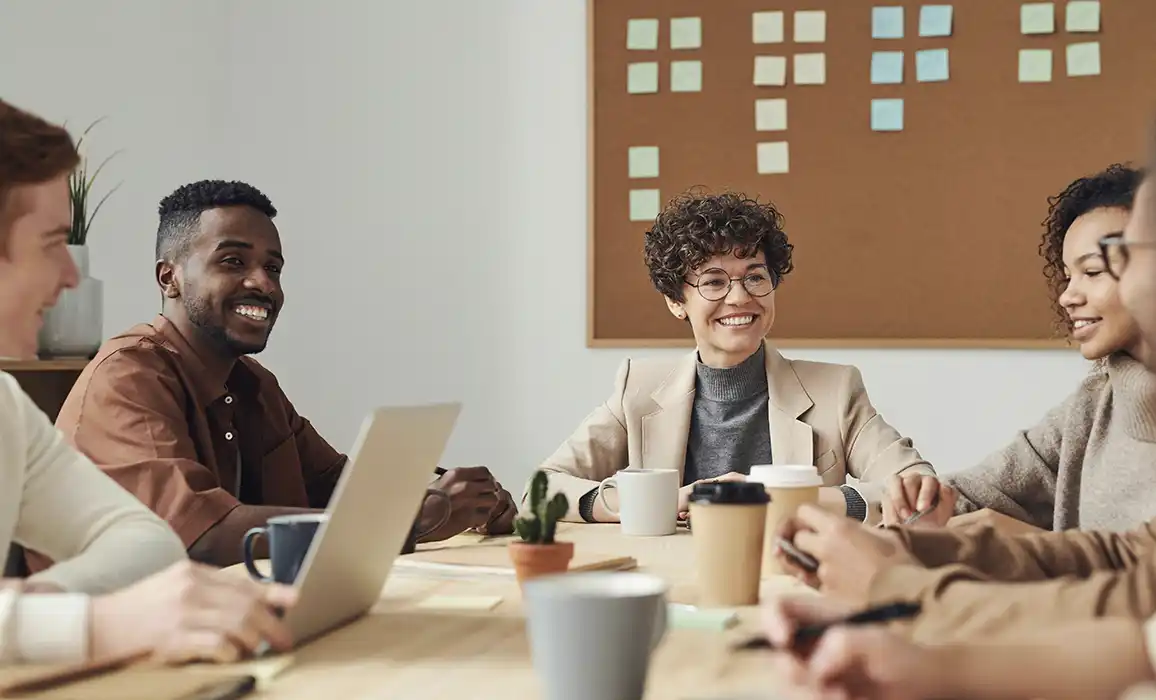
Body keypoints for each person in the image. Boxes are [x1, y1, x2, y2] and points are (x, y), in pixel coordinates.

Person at [765, 134, 1156, 700]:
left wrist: (893, 586)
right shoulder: (1101, 397)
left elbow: (1131, 606)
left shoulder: (836, 382)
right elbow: (1124, 557)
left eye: (1110, 264)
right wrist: (911, 551)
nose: (1069, 296)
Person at [35, 179, 516, 570]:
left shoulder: (253, 383)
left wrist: (455, 495)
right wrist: (409, 518)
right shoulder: (128, 376)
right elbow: (203, 534)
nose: (263, 283)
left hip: (230, 621)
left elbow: (336, 483)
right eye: (233, 261)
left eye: (273, 267)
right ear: (169, 278)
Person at [0, 98, 294, 664]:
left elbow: (150, 545)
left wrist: (30, 613)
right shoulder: (128, 372)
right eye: (50, 244)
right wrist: (93, 625)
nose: (70, 275)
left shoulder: (8, 410)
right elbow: (191, 538)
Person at [533, 191, 934, 525]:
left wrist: (786, 500)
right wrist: (658, 502)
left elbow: (917, 486)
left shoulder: (835, 390)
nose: (740, 297)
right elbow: (542, 488)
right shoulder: (636, 388)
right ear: (676, 302)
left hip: (790, 579)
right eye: (713, 282)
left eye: (755, 277)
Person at [886, 164, 1156, 535]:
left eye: (1092, 272)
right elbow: (976, 493)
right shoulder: (1096, 401)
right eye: (1066, 275)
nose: (1067, 296)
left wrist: (1014, 535)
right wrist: (924, 500)